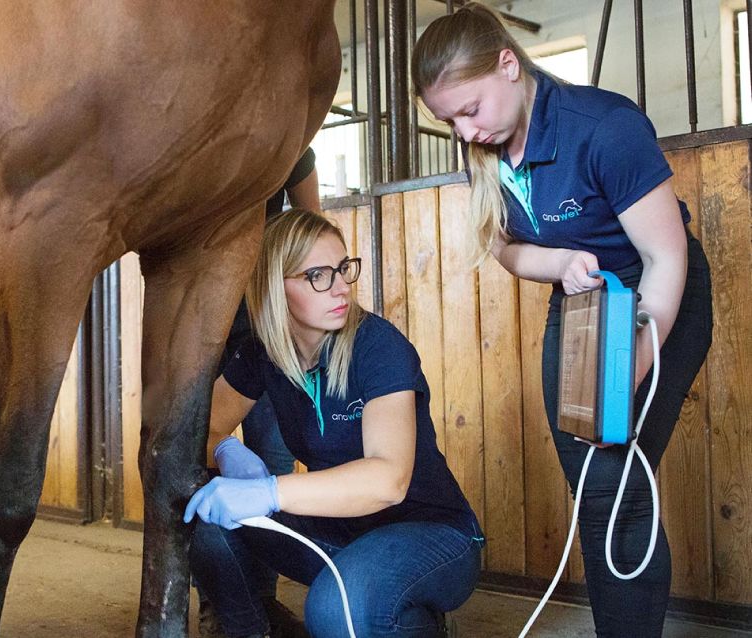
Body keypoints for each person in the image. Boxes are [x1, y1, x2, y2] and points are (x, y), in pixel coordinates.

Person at [412, 3, 713, 636]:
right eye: (449, 122)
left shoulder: (602, 127)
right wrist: (560, 263)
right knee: (592, 481)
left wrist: (629, 366)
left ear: (508, 63)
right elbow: (503, 247)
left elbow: (665, 257)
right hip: (581, 303)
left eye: (470, 109)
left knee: (612, 481)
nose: (464, 133)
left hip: (657, 295)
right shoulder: (486, 147)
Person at [185, 208, 483, 638]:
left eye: (343, 269)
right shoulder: (262, 353)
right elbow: (202, 430)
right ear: (274, 287)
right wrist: (226, 451)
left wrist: (268, 492)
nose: (341, 286)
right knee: (206, 515)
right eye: (318, 275)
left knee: (337, 608)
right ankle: (253, 630)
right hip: (340, 531)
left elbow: (388, 480)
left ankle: (406, 617)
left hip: (429, 533)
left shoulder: (378, 346)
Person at [194, 149, 322, 638]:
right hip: (199, 332)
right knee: (202, 461)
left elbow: (311, 227)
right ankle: (220, 603)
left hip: (266, 334)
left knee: (270, 459)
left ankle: (260, 602)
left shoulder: (286, 142)